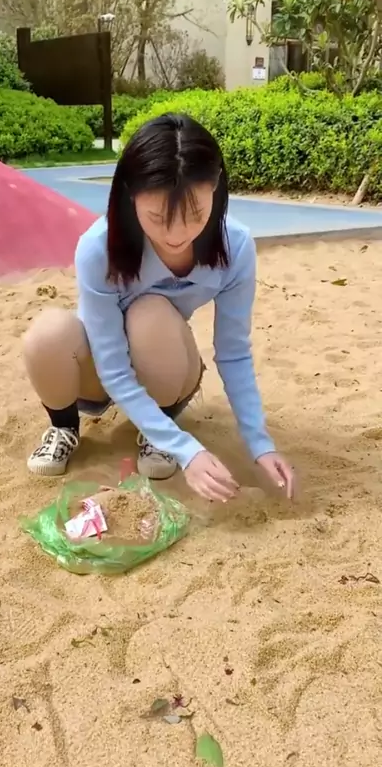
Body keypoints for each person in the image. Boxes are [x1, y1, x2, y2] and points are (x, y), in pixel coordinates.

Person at [23, 113, 294, 503]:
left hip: (166, 368)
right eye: (158, 218)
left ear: (215, 186)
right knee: (47, 333)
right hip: (101, 369)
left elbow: (234, 352)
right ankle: (63, 428)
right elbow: (112, 366)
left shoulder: (235, 246)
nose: (176, 235)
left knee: (150, 313)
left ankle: (159, 431)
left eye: (195, 215)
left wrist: (259, 443)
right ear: (130, 193)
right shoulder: (98, 247)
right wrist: (189, 451)